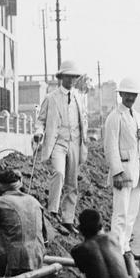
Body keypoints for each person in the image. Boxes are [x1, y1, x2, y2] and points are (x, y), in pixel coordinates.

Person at [34, 60, 89, 234]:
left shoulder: (79, 98)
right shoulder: (51, 98)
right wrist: (38, 132)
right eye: (68, 76)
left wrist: (83, 140)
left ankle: (68, 219)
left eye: (74, 77)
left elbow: (83, 121)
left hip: (75, 142)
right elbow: (41, 120)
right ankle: (53, 211)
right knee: (58, 173)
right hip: (58, 142)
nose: (71, 80)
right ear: (61, 77)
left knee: (72, 183)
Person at [104, 77, 140, 258]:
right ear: (121, 94)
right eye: (127, 94)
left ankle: (125, 248)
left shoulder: (137, 117)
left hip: (137, 172)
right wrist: (117, 172)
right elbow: (110, 147)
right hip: (123, 172)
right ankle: (116, 250)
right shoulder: (114, 117)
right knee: (120, 214)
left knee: (131, 214)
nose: (131, 97)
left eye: (133, 94)